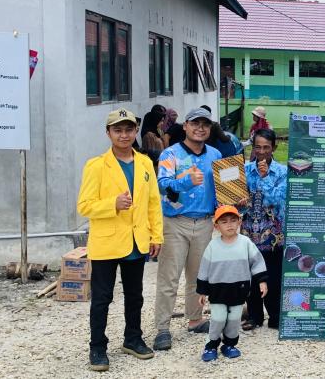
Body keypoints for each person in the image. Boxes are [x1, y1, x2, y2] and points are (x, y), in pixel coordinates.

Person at [76, 109, 163, 372]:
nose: (124, 135)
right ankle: (98, 347)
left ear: (135, 131)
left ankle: (133, 338)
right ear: (108, 133)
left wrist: (156, 234)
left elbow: (153, 203)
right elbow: (84, 206)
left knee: (135, 295)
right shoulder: (96, 165)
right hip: (107, 243)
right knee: (102, 298)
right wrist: (112, 204)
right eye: (118, 130)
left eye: (128, 129)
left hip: (137, 242)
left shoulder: (145, 163)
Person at [153, 107, 222, 351]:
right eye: (195, 123)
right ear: (185, 126)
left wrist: (233, 200)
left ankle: (195, 319)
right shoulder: (170, 154)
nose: (200, 128)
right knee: (169, 277)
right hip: (175, 222)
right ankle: (162, 328)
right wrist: (185, 181)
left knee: (198, 276)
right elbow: (162, 186)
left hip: (204, 222)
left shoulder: (215, 154)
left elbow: (222, 188)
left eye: (205, 124)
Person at [197, 205, 268, 362]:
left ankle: (229, 344)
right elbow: (204, 269)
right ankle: (211, 345)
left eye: (233, 220)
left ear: (239, 222)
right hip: (217, 291)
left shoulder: (246, 243)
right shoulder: (212, 246)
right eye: (224, 221)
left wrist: (262, 281)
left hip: (239, 290)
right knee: (218, 318)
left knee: (235, 318)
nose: (229, 224)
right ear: (216, 226)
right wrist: (202, 291)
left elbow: (257, 262)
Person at [241, 128, 287, 330]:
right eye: (257, 147)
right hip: (249, 233)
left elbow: (276, 200)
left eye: (266, 147)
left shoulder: (283, 172)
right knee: (250, 276)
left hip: (273, 235)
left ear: (274, 148)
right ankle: (254, 316)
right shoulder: (243, 170)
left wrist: (266, 176)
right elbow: (235, 201)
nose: (261, 152)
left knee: (273, 276)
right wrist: (239, 202)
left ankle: (275, 316)